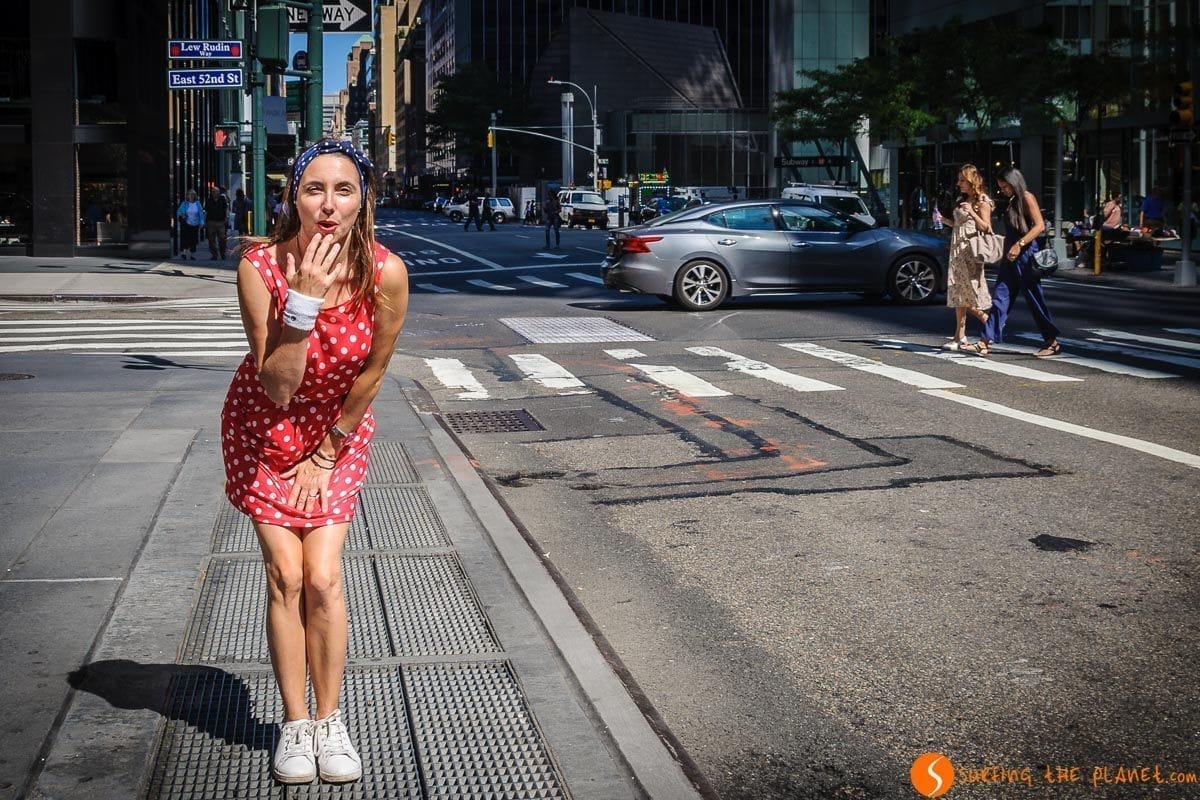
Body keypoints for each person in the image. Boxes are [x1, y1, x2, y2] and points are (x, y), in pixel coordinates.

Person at [220, 138, 409, 785]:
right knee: (286, 576)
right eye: (314, 189)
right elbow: (276, 385)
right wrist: (302, 301)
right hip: (266, 434)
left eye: (344, 189)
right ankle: (295, 726)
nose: (328, 205)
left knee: (323, 578)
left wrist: (327, 453)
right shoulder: (260, 268)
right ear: (292, 198)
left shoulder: (386, 273)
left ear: (365, 200)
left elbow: (375, 371)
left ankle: (331, 721)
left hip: (337, 436)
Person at [963, 166, 1061, 358]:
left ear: (1014, 182)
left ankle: (1052, 341)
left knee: (1034, 299)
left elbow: (1039, 226)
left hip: (1024, 255)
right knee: (1000, 298)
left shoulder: (1026, 197)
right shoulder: (1013, 201)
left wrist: (1019, 244)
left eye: (1005, 186)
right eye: (1001, 187)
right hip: (1010, 257)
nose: (1003, 190)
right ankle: (984, 341)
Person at [941, 164, 993, 351]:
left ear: (972, 181)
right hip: (957, 249)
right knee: (957, 291)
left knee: (969, 292)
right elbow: (958, 224)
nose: (959, 184)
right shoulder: (961, 199)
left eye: (962, 180)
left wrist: (972, 211)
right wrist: (945, 221)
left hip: (971, 251)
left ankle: (988, 321)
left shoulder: (982, 200)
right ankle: (959, 336)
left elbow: (987, 227)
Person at [175, 189, 204, 260]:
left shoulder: (198, 204)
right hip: (186, 224)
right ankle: (184, 253)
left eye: (193, 195)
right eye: (190, 194)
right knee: (185, 238)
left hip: (195, 224)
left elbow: (201, 214)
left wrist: (201, 222)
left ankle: (192, 254)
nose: (191, 196)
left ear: (195, 196)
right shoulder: (184, 203)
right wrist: (182, 215)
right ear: (187, 196)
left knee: (193, 239)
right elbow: (178, 212)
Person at [204, 185, 229, 260]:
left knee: (222, 239)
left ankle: (222, 253)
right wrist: (205, 221)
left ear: (219, 192)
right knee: (211, 239)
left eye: (216, 192)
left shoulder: (222, 199)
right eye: (213, 192)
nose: (215, 193)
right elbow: (206, 211)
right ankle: (214, 254)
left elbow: (226, 209)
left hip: (221, 222)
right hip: (211, 222)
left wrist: (226, 218)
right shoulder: (209, 200)